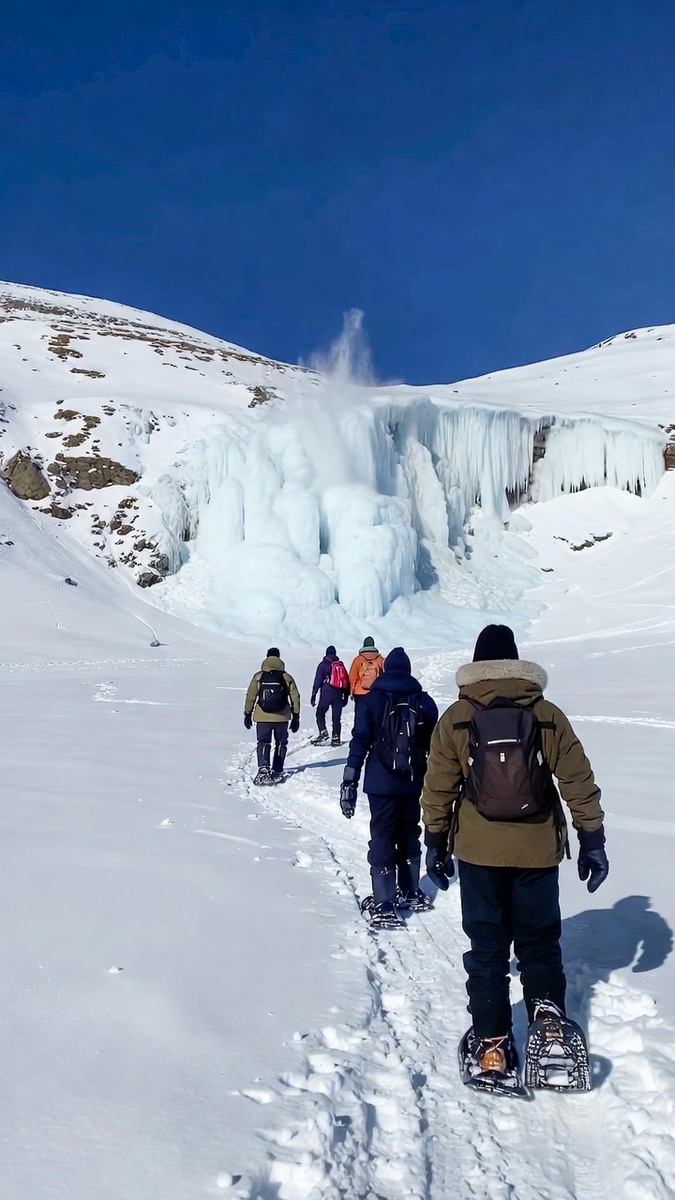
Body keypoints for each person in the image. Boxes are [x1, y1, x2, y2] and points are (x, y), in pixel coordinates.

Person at [421, 623, 608, 1080]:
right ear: (517, 663)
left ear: (477, 665)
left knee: (487, 947)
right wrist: (592, 840)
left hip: (478, 852)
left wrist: (435, 841)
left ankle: (492, 1048)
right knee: (539, 942)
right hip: (538, 849)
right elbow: (577, 781)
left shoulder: (457, 716)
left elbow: (438, 786)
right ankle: (550, 1029)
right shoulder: (546, 714)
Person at [339, 647, 438, 927]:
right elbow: (436, 747)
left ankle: (384, 901)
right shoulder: (425, 702)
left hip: (380, 783)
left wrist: (350, 780)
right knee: (409, 832)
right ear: (407, 671)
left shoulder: (371, 701)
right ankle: (410, 891)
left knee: (382, 835)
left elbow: (360, 741)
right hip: (413, 781)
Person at [244, 648, 301, 785]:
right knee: (281, 743)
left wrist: (247, 713)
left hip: (262, 716)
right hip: (282, 716)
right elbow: (295, 697)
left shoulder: (258, 677)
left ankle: (263, 768)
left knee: (263, 742)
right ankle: (277, 770)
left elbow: (251, 696)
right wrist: (296, 716)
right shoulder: (286, 677)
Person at [310, 645, 350, 746]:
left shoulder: (323, 665)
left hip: (326, 693)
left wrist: (314, 693)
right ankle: (336, 738)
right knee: (336, 718)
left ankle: (323, 732)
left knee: (320, 713)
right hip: (338, 694)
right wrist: (346, 696)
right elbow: (346, 681)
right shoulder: (340, 665)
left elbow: (318, 680)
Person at [348, 636, 385, 711]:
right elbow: (385, 676)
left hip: (360, 693)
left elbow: (352, 677)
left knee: (361, 718)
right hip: (376, 692)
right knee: (375, 718)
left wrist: (352, 691)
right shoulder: (380, 659)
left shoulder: (358, 659)